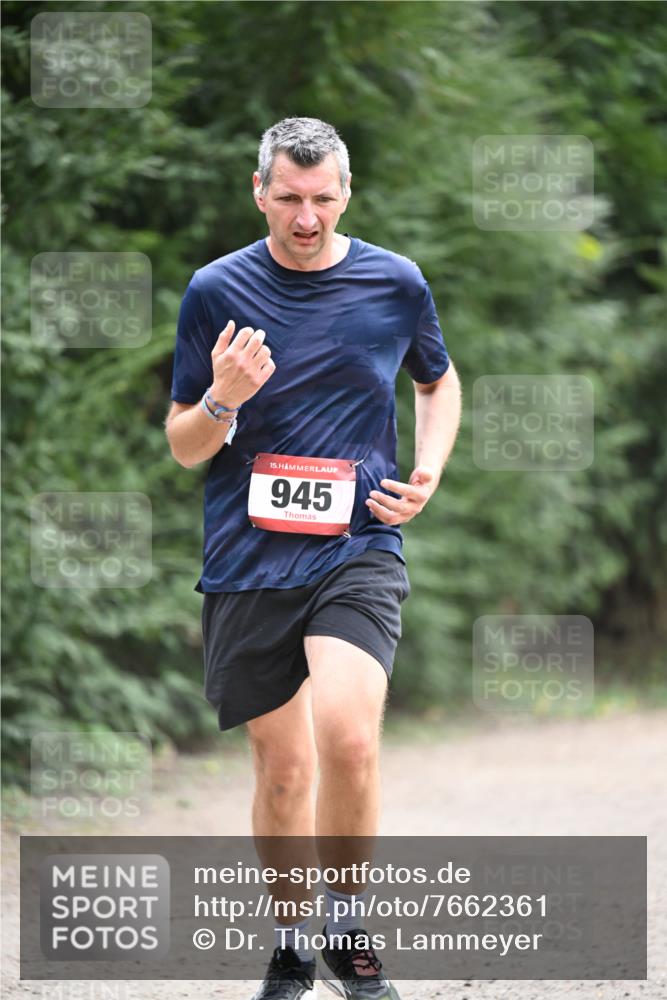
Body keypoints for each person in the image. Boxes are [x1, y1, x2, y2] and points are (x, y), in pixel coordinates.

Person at [165, 117, 461, 1000]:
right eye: (289, 199)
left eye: (323, 198)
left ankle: (346, 927)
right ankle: (293, 940)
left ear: (346, 193)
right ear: (259, 191)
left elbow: (436, 379)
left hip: (358, 542)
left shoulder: (393, 282)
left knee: (348, 738)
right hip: (249, 557)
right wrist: (222, 399)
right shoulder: (215, 289)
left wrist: (428, 471)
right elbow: (183, 447)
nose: (306, 217)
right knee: (284, 769)